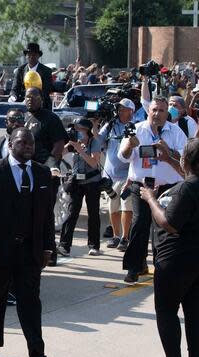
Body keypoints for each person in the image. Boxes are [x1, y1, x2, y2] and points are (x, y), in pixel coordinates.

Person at [0, 128, 60, 357]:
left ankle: (37, 355)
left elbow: (47, 215)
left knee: (31, 302)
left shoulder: (42, 173)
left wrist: (47, 248)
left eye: (31, 143)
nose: (28, 147)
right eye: (23, 143)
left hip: (29, 251)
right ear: (11, 144)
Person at [140, 139, 199, 357]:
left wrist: (151, 199)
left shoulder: (186, 189)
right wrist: (168, 159)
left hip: (179, 257)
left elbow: (169, 224)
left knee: (166, 310)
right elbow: (190, 175)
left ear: (187, 159)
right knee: (196, 311)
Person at [118, 96, 187, 284]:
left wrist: (168, 151)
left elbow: (184, 161)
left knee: (163, 228)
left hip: (168, 187)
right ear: (149, 111)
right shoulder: (137, 130)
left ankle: (162, 267)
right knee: (139, 224)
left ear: (167, 113)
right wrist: (129, 146)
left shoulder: (176, 132)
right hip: (142, 185)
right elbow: (123, 157)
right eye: (154, 110)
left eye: (161, 111)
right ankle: (134, 267)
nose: (157, 114)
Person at [24, 87, 67, 266]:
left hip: (47, 173)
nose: (29, 100)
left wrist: (50, 167)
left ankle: (50, 254)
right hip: (27, 171)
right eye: (27, 97)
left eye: (33, 97)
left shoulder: (51, 118)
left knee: (45, 214)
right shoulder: (25, 119)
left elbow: (59, 145)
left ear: (41, 98)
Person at [58, 118, 102, 256]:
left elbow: (94, 163)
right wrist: (67, 145)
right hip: (77, 182)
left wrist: (80, 150)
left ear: (87, 130)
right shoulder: (73, 142)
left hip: (92, 182)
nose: (77, 132)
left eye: (79, 129)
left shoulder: (94, 142)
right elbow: (59, 155)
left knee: (93, 213)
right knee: (71, 213)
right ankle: (64, 245)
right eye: (75, 129)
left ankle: (94, 245)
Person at [98, 99, 135, 251]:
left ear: (131, 111)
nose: (120, 111)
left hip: (127, 175)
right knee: (113, 208)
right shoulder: (110, 125)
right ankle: (116, 235)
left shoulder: (135, 125)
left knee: (127, 208)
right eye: (119, 108)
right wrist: (95, 124)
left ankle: (125, 238)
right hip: (110, 175)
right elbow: (98, 140)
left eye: (124, 109)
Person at [10, 43, 54, 108]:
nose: (31, 56)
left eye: (34, 54)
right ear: (26, 56)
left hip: (41, 104)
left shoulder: (46, 71)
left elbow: (47, 90)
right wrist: (13, 96)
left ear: (38, 56)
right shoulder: (20, 70)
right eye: (29, 54)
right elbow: (14, 88)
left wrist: (32, 99)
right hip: (22, 103)